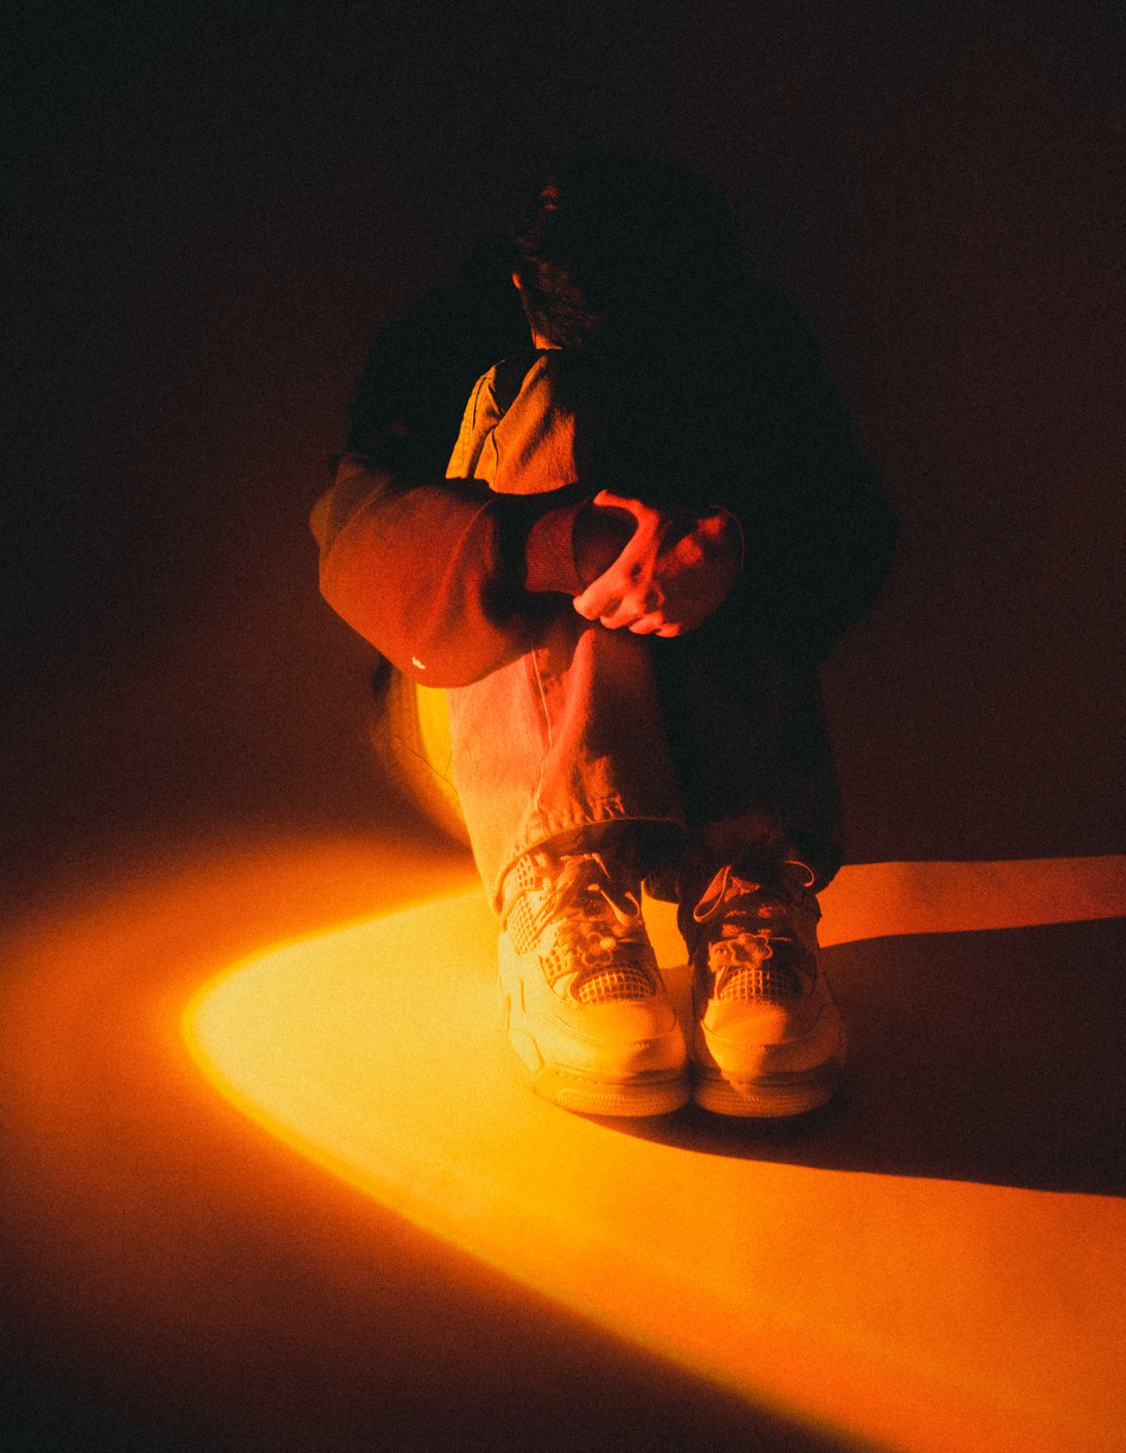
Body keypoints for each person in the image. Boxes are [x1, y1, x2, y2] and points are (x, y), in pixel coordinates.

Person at [312, 159, 895, 1120]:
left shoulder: (750, 338)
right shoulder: (452, 333)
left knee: (719, 437)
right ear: (514, 286)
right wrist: (563, 541)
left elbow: (856, 532)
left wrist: (728, 544)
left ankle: (745, 876)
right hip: (483, 727)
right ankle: (561, 877)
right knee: (555, 398)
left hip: (707, 747)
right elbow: (353, 538)